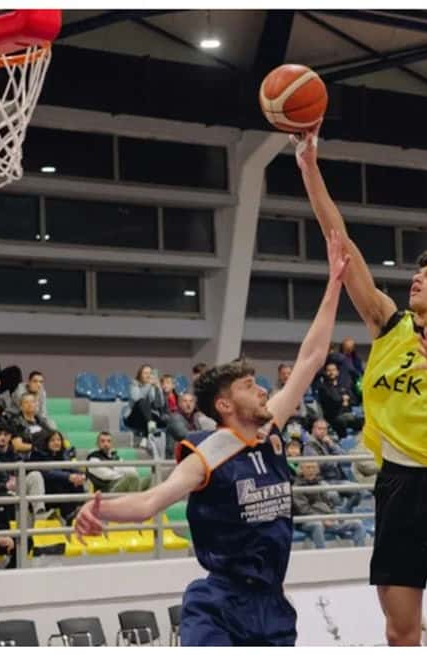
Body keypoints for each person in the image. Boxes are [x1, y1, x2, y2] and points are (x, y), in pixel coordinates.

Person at [73, 230, 351, 646]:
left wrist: (334, 283)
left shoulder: (269, 430)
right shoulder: (209, 454)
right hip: (220, 605)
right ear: (225, 405)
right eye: (249, 387)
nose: (262, 391)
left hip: (272, 604)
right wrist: (100, 509)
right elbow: (150, 502)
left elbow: (310, 357)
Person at [297, 125, 427, 646]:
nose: (417, 278)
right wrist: (309, 167)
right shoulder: (388, 323)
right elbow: (341, 243)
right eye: (417, 272)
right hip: (395, 486)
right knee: (399, 629)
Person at [292, 461, 367, 549]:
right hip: (307, 521)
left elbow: (329, 504)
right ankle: (322, 554)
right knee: (317, 525)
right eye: (308, 467)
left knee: (357, 523)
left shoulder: (320, 484)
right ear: (301, 470)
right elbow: (303, 510)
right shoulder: (296, 488)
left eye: (313, 467)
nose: (311, 470)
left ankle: (359, 552)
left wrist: (334, 516)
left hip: (327, 518)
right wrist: (322, 519)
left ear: (317, 470)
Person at [28, 431, 85, 522]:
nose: (56, 443)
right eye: (53, 440)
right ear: (46, 442)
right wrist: (69, 477)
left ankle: (78, 510)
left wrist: (81, 476)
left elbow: (71, 469)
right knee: (63, 481)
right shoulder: (38, 454)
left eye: (58, 440)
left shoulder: (63, 455)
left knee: (75, 481)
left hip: (59, 491)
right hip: (45, 491)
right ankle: (69, 514)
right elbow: (47, 473)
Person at [87, 432, 153, 493]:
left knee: (150, 479)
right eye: (102, 441)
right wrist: (122, 472)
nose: (106, 444)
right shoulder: (93, 458)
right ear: (97, 444)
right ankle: (136, 500)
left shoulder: (115, 457)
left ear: (111, 444)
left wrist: (114, 468)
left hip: (120, 484)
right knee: (131, 478)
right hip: (107, 490)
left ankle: (138, 499)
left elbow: (132, 470)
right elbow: (107, 475)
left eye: (108, 441)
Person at [316, 361, 364, 439]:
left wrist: (346, 400)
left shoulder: (343, 386)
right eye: (329, 370)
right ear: (325, 372)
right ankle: (343, 442)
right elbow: (333, 399)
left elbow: (353, 400)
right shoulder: (323, 387)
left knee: (364, 421)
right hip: (333, 416)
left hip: (347, 414)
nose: (331, 372)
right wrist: (343, 399)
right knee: (341, 421)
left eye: (333, 370)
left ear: (337, 372)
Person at [123, 365, 167, 437]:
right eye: (146, 373)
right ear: (140, 375)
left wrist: (158, 388)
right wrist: (148, 384)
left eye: (150, 373)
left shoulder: (152, 386)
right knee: (142, 401)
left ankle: (147, 437)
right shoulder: (134, 383)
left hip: (147, 418)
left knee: (165, 421)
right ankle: (151, 427)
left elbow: (159, 404)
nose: (148, 375)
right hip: (134, 417)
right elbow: (137, 398)